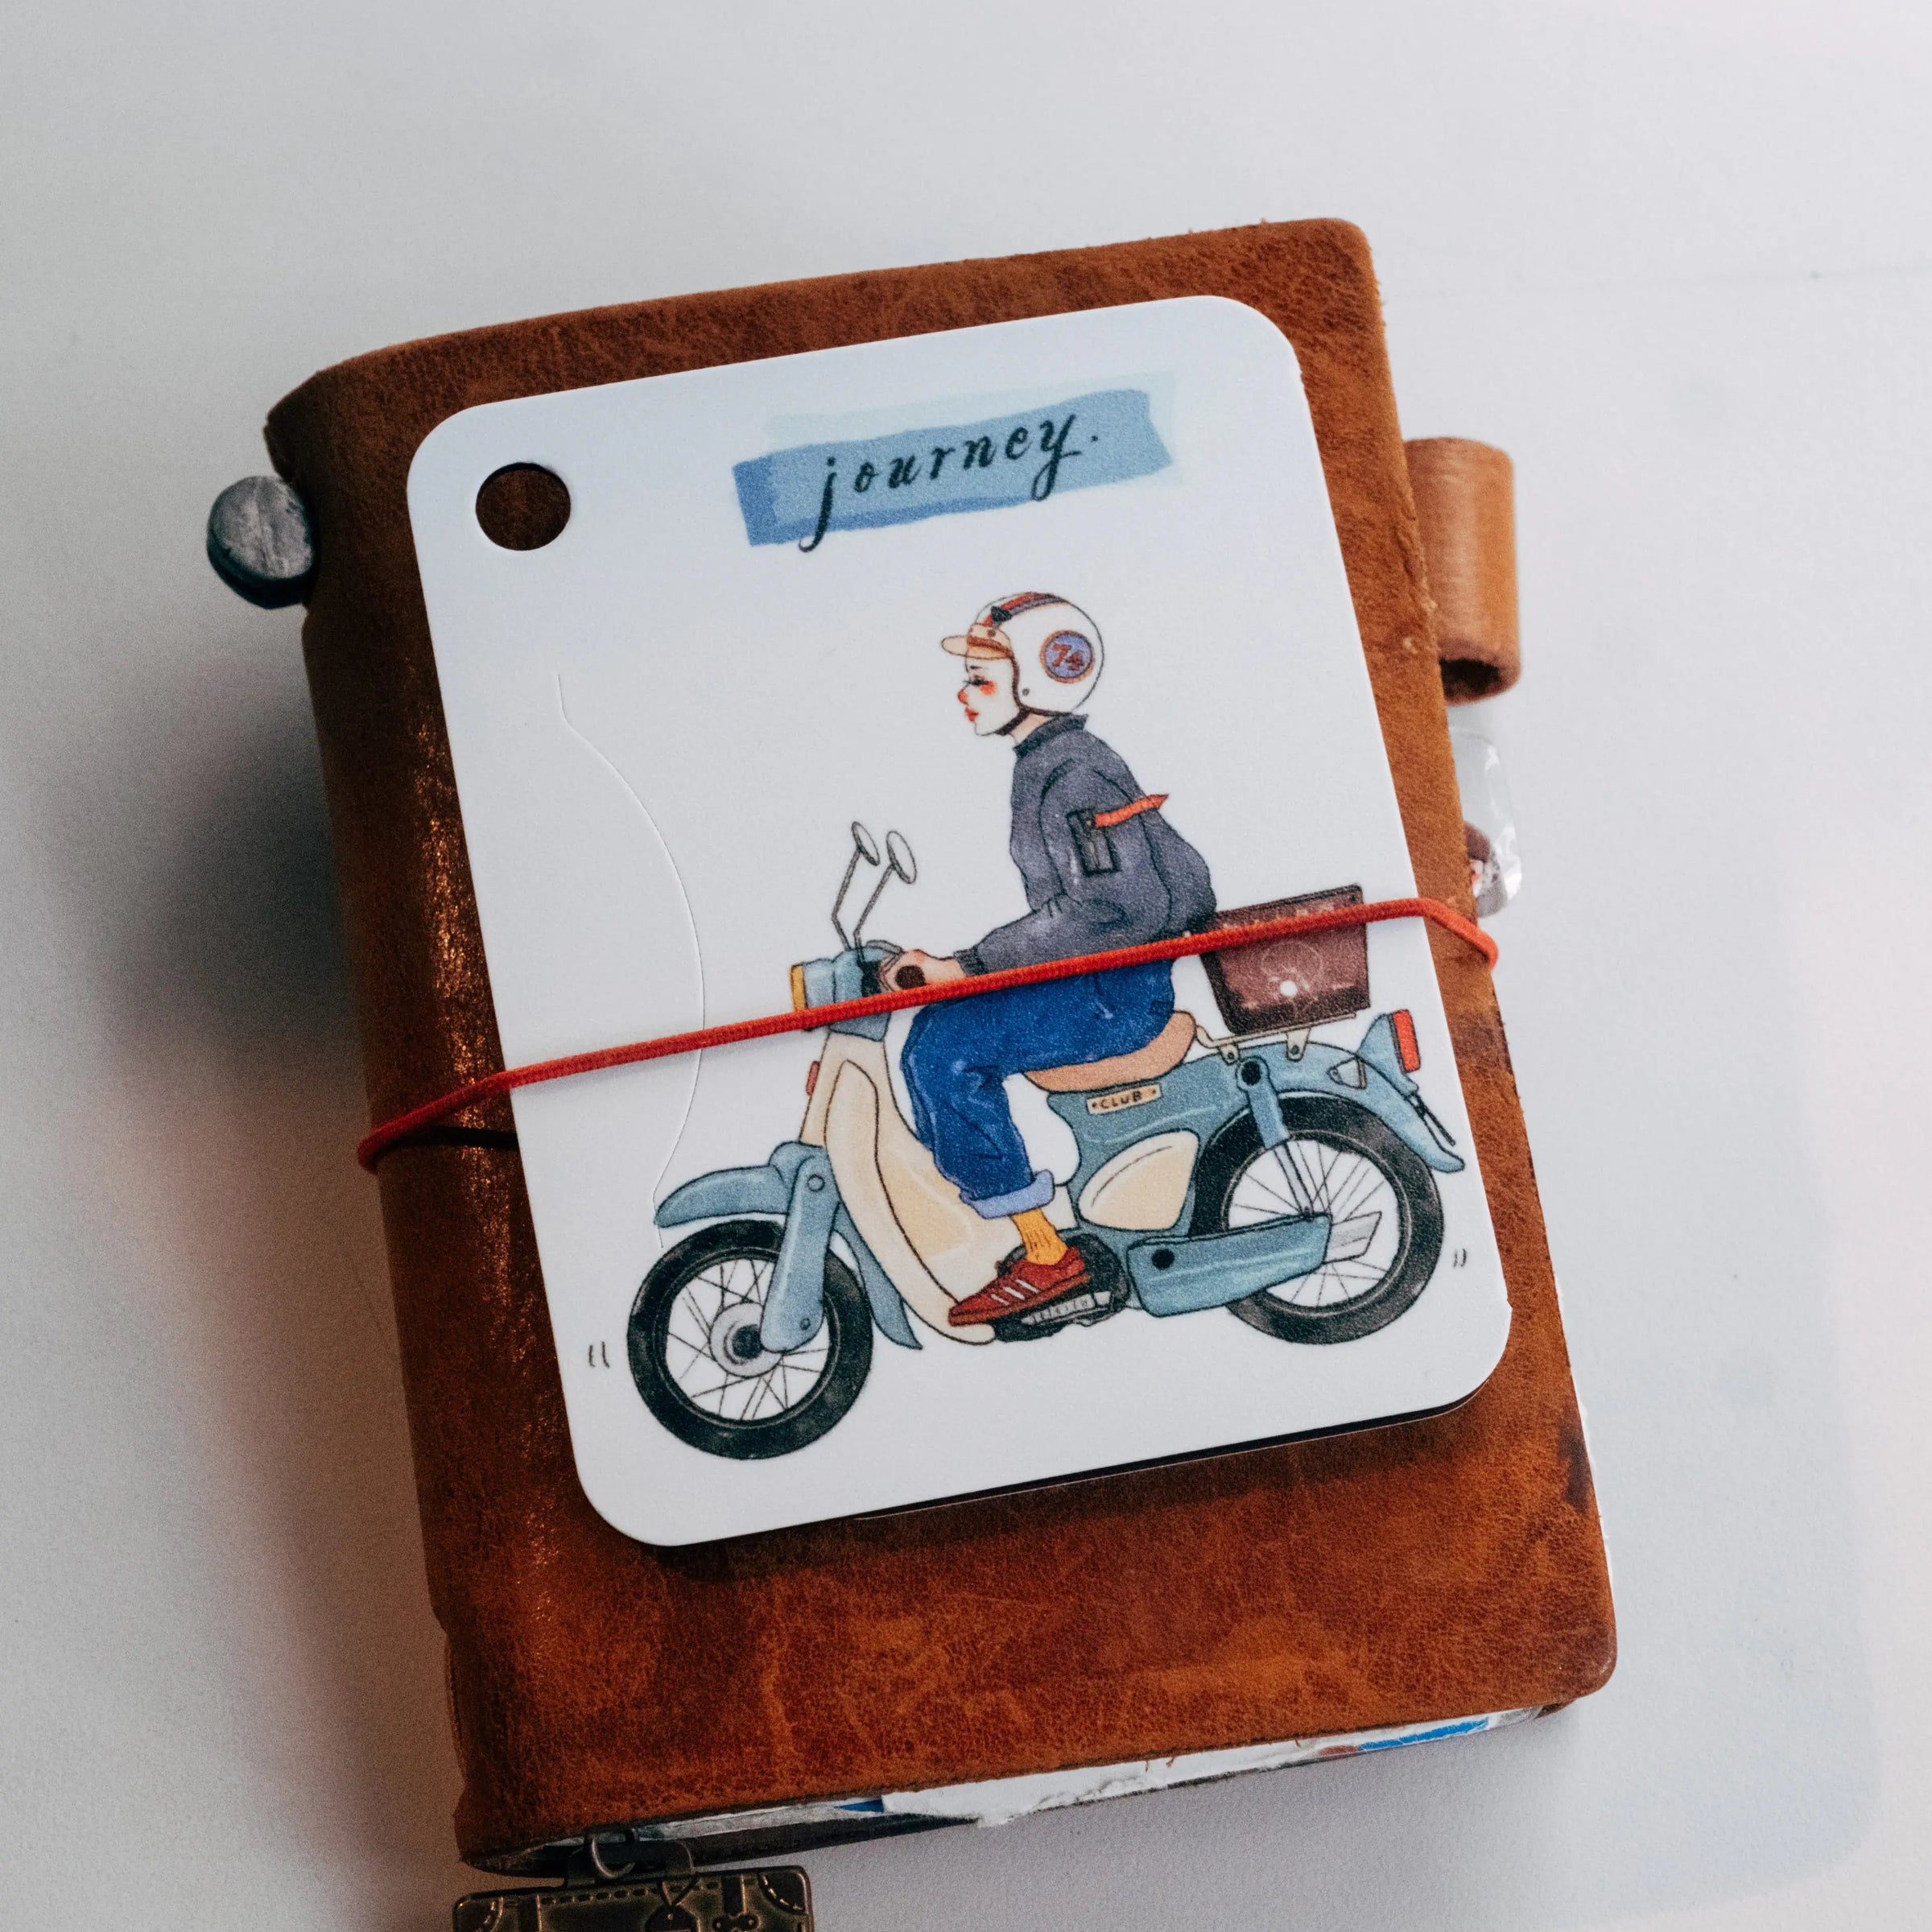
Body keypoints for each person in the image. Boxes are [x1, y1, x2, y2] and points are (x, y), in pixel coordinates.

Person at [888, 594, 1216, 1327]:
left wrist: (969, 965)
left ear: (1035, 682)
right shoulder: (1049, 763)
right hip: (1099, 978)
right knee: (941, 1031)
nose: (965, 694)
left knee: (944, 1050)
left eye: (980, 679)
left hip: (1115, 994)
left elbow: (1112, 907)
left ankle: (1047, 1255)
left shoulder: (1073, 777)